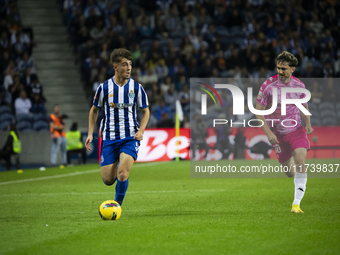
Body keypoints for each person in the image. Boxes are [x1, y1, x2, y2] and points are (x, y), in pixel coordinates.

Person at [85, 48, 150, 206]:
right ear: (115, 66)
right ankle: (118, 186)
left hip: (130, 137)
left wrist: (141, 131)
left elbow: (145, 111)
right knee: (108, 180)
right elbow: (94, 110)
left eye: (130, 64)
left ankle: (117, 205)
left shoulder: (136, 88)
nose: (128, 68)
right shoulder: (104, 88)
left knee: (122, 173)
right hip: (109, 138)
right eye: (124, 65)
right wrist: (90, 133)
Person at [255, 51, 313, 213]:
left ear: (292, 69)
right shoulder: (268, 85)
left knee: (301, 161)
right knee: (289, 172)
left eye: (284, 69)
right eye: (278, 68)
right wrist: (268, 133)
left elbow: (304, 106)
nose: (280, 72)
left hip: (296, 130)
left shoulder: (299, 86)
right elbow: (258, 111)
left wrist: (308, 123)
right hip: (277, 133)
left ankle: (296, 204)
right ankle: (296, 172)